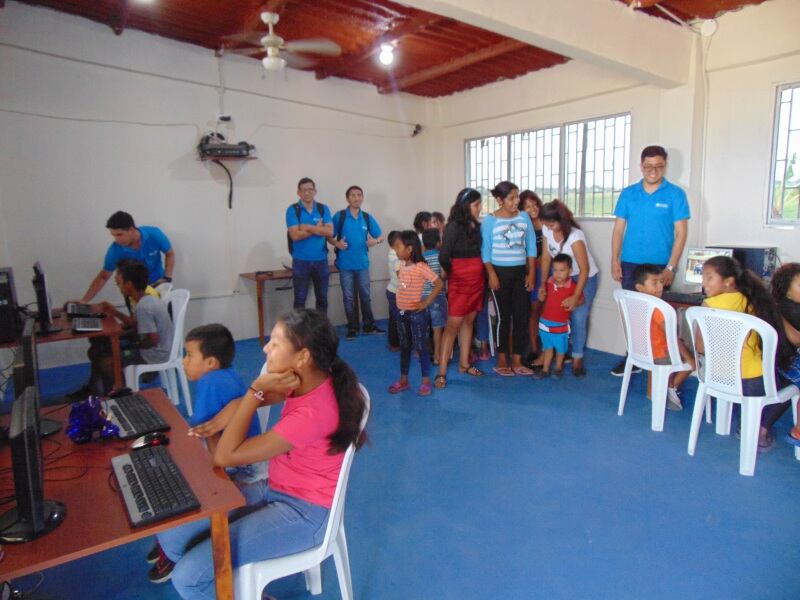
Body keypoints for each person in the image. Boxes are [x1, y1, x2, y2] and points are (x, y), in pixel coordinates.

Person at [155, 309, 367, 600]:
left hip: (303, 513)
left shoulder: (313, 413)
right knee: (172, 538)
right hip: (276, 488)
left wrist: (255, 391)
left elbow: (225, 456)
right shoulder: (308, 378)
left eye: (275, 343)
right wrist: (226, 416)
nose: (266, 348)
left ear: (303, 356)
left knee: (188, 578)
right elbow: (246, 403)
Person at [148, 323, 263, 584]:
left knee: (168, 473)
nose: (183, 361)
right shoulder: (227, 374)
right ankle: (168, 541)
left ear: (210, 362)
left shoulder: (211, 381)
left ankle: (171, 548)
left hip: (239, 469)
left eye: (189, 355)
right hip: (241, 459)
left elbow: (199, 431)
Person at [610, 145, 690, 375]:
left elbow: (681, 233)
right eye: (648, 166)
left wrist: (671, 267)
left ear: (665, 166)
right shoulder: (628, 194)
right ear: (641, 166)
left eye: (658, 166)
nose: (653, 171)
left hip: (660, 266)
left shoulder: (675, 194)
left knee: (660, 318)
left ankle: (661, 361)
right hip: (630, 263)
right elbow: (618, 230)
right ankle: (634, 357)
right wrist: (615, 260)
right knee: (633, 314)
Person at [698, 256, 787, 451]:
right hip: (751, 380)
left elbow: (701, 348)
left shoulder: (707, 306)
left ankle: (746, 423)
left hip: (717, 377)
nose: (703, 282)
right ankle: (757, 427)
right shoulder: (753, 301)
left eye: (709, 277)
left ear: (728, 281)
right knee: (790, 380)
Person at [482, 181, 537, 376]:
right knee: (503, 317)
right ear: (500, 200)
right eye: (511, 198)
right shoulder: (490, 221)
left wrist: (531, 273)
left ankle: (517, 359)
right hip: (499, 274)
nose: (516, 201)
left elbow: (531, 247)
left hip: (520, 272)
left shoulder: (524, 217)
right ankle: (502, 359)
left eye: (517, 197)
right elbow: (485, 250)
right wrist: (491, 274)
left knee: (522, 316)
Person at [539, 200, 599, 377]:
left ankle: (577, 357)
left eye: (551, 224)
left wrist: (576, 296)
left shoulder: (575, 236)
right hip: (559, 275)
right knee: (558, 314)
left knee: (578, 317)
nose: (548, 228)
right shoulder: (547, 230)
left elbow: (585, 269)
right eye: (546, 224)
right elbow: (545, 258)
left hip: (583, 277)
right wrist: (543, 284)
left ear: (561, 220)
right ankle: (560, 351)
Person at [93, 260, 173, 393]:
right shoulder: (146, 299)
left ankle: (122, 393)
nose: (117, 284)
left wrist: (130, 346)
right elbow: (135, 324)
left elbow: (152, 340)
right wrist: (115, 312)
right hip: (153, 349)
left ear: (129, 284)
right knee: (102, 347)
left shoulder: (144, 306)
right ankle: (105, 389)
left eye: (119, 283)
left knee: (106, 362)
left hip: (154, 355)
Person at [435, 189, 485, 389]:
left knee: (469, 321)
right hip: (459, 281)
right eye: (476, 205)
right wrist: (453, 273)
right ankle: (441, 372)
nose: (480, 208)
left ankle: (464, 364)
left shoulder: (477, 226)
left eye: (480, 204)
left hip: (477, 281)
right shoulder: (453, 226)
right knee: (452, 325)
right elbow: (443, 256)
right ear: (465, 206)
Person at [633, 264, 695, 411]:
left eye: (661, 282)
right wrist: (690, 359)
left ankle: (652, 392)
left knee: (679, 345)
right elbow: (671, 337)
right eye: (654, 283)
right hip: (661, 355)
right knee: (696, 358)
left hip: (644, 351)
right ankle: (671, 387)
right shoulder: (659, 308)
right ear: (640, 287)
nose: (660, 287)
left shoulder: (636, 302)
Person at [76, 211, 174, 303]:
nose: (116, 239)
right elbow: (103, 277)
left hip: (159, 283)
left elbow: (170, 253)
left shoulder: (154, 234)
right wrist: (84, 301)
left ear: (131, 229)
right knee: (140, 315)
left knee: (165, 313)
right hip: (135, 292)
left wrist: (167, 278)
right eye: (114, 235)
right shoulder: (115, 250)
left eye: (119, 235)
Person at [389, 231, 443, 396]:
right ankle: (403, 380)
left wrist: (426, 302)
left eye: (398, 247)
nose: (395, 250)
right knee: (405, 346)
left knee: (421, 347)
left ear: (409, 249)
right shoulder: (402, 264)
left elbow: (439, 283)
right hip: (402, 314)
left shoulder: (421, 266)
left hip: (417, 314)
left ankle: (426, 381)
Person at [328, 185, 384, 340]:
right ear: (347, 198)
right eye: (353, 195)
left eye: (359, 195)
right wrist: (337, 243)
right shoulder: (340, 216)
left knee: (365, 296)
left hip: (362, 264)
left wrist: (375, 241)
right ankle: (352, 328)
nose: (356, 198)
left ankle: (368, 326)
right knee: (348, 298)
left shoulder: (366, 217)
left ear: (362, 197)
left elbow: (380, 236)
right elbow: (329, 236)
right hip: (345, 265)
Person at [286, 177, 333, 314]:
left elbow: (329, 232)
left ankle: (321, 327)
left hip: (321, 260)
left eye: (310, 189)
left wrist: (307, 227)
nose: (307, 192)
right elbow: (295, 235)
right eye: (304, 190)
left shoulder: (323, 209)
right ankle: (300, 328)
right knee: (300, 300)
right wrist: (318, 228)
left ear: (315, 191)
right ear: (298, 192)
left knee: (322, 299)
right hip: (300, 261)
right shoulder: (293, 210)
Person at [533, 254, 582, 380]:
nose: (558, 274)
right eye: (555, 270)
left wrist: (574, 302)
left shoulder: (573, 286)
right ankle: (545, 369)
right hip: (545, 323)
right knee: (547, 348)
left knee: (561, 349)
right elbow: (542, 297)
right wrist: (541, 296)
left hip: (561, 325)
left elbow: (581, 299)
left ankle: (558, 368)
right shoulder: (548, 283)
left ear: (570, 271)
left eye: (562, 270)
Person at [769, 263, 800, 445]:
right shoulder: (792, 309)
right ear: (787, 292)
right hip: (786, 362)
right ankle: (798, 431)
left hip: (777, 361)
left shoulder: (780, 305)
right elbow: (797, 340)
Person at [519, 190, 544, 364]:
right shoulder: (522, 226)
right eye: (528, 206)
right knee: (534, 310)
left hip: (551, 272)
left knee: (550, 312)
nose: (533, 209)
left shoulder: (547, 221)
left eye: (535, 204)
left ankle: (552, 348)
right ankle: (534, 348)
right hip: (534, 272)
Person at [422, 228, 447, 366]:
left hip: (422, 297)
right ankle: (437, 356)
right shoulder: (440, 256)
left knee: (424, 327)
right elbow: (443, 275)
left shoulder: (420, 258)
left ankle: (424, 353)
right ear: (438, 242)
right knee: (438, 328)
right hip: (437, 296)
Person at [385, 230, 402, 352]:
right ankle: (395, 344)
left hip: (392, 290)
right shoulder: (395, 256)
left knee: (393, 318)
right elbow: (401, 276)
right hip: (396, 292)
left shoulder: (392, 253)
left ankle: (393, 343)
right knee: (396, 319)